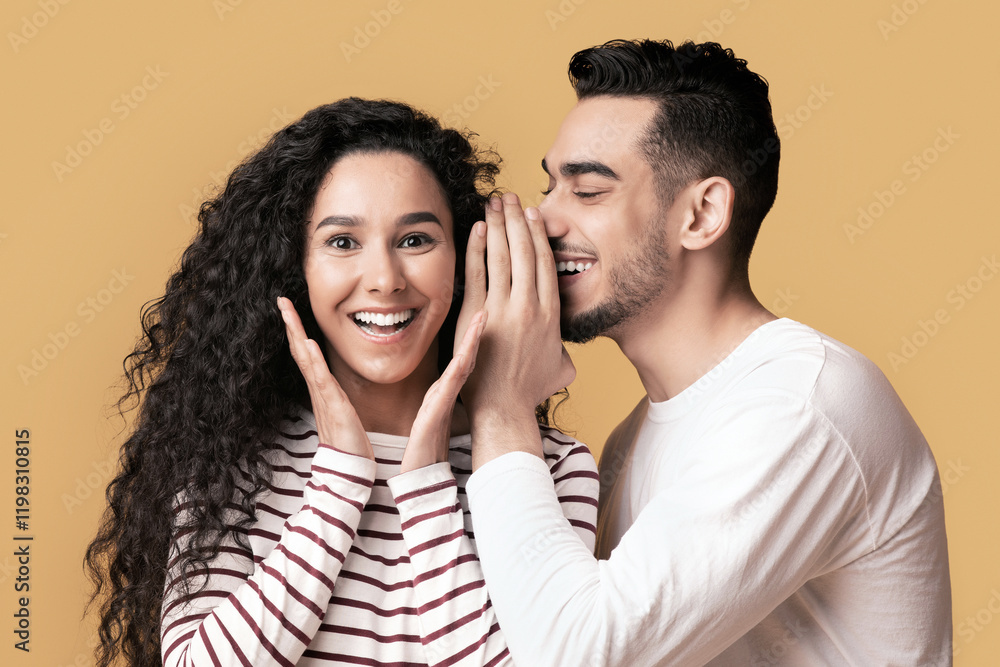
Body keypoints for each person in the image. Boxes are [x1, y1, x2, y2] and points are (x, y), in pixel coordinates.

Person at [457, 40, 952, 665]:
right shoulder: (633, 439)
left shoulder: (801, 405)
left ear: (702, 214)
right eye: (550, 185)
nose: (543, 219)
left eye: (587, 191)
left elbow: (574, 654)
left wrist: (501, 406)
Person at [83, 98, 599, 667]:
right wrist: (339, 484)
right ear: (295, 266)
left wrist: (426, 482)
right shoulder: (232, 460)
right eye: (342, 242)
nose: (383, 280)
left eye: (415, 240)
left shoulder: (547, 468)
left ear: (465, 258)